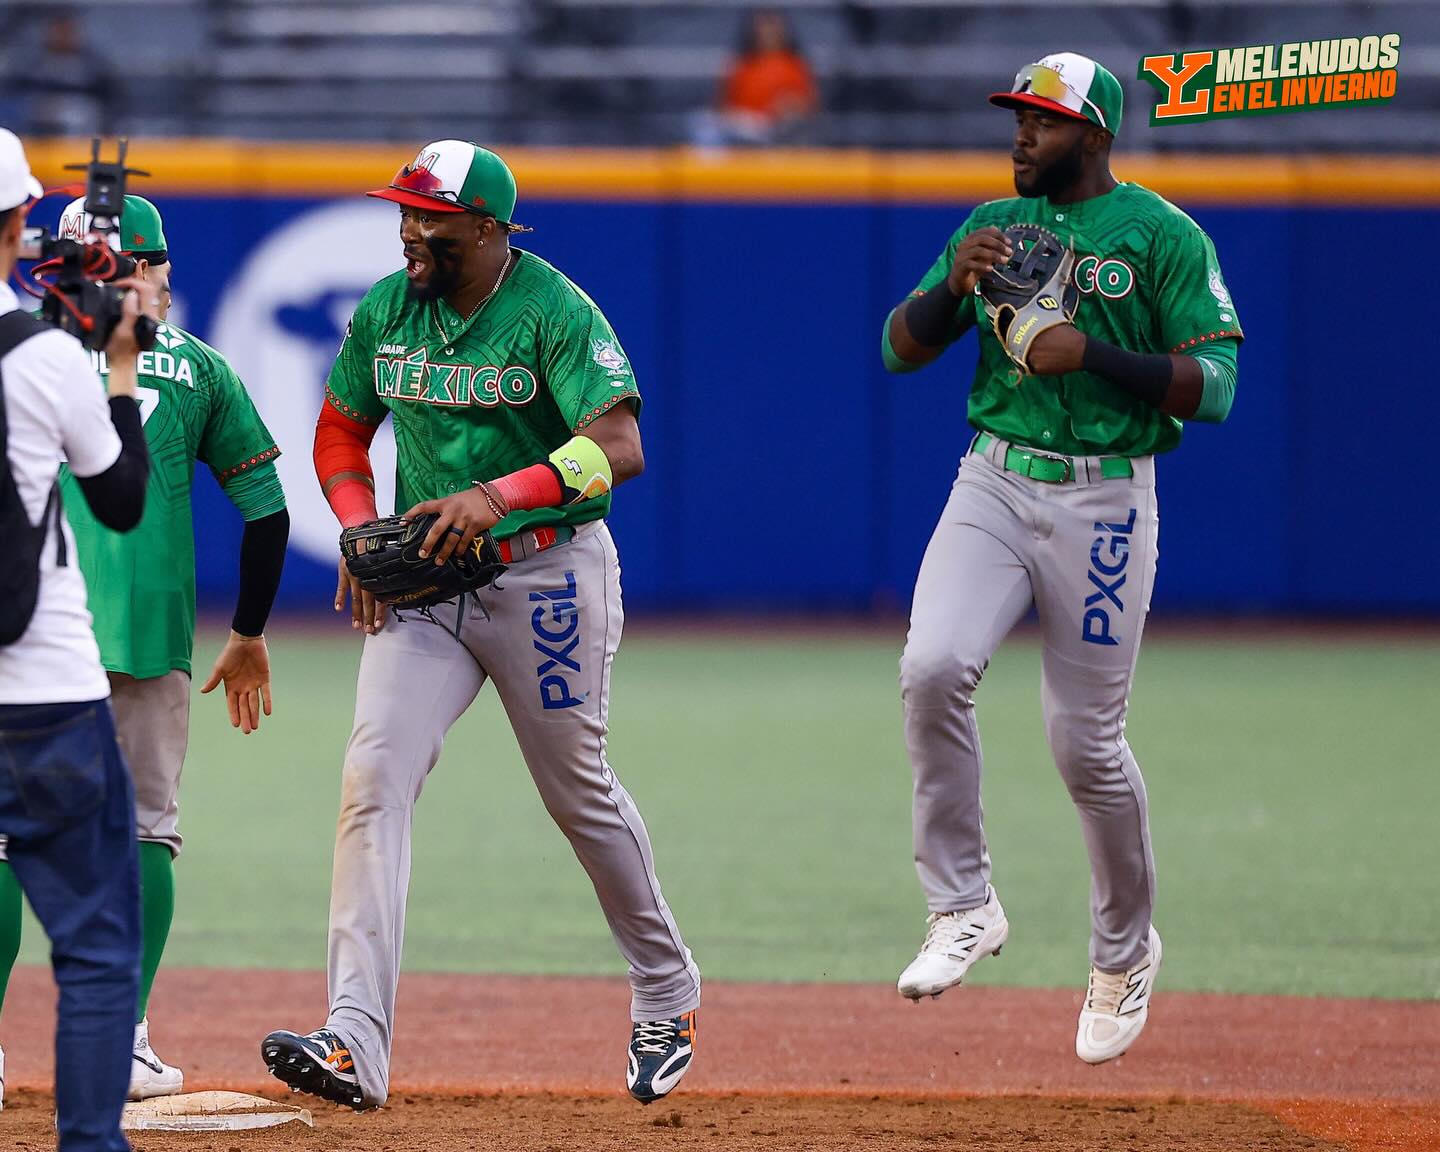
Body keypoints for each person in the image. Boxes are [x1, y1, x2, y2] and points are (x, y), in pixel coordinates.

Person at [261, 140, 701, 1109]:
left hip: (545, 577)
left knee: (575, 792)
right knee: (372, 783)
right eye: (405, 213)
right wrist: (355, 527)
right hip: (426, 593)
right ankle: (354, 1044)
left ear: (491, 229)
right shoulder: (389, 306)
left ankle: (667, 986)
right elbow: (341, 428)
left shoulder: (551, 310)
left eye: (434, 218)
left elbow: (621, 444)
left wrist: (501, 496)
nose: (412, 231)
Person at [883, 54, 1242, 1063]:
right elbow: (896, 349)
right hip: (993, 478)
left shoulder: (1165, 236)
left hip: (1106, 498)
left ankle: (1124, 952)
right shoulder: (987, 228)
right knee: (931, 667)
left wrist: (1093, 355)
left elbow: (1215, 386)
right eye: (1017, 119)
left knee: (1085, 744)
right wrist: (954, 290)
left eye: (1041, 122)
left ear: (1093, 133)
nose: (1020, 137)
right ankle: (962, 904)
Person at [0, 193, 290, 1101]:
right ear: (145, 270)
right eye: (154, 265)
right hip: (142, 636)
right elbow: (266, 511)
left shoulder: (21, 352)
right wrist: (247, 633)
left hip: (23, 632)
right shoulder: (197, 369)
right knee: (142, 834)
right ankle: (123, 1040)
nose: (160, 279)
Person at [0, 126, 157, 1148]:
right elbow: (121, 499)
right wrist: (119, 362)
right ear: (16, 221)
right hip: (44, 693)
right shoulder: (47, 357)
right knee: (97, 948)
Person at [696, 9, 819, 147]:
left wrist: (791, 105)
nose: (768, 34)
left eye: (773, 28)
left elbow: (811, 108)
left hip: (779, 130)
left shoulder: (795, 66)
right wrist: (738, 117)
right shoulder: (741, 65)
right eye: (764, 29)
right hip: (745, 129)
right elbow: (723, 107)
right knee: (703, 123)